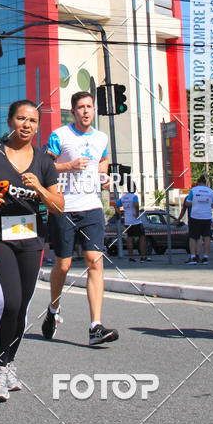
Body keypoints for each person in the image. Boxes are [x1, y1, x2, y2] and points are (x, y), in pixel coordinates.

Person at [0, 99, 63, 401]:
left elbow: (58, 207)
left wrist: (41, 189)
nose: (26, 125)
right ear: (10, 122)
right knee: (10, 302)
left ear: (38, 125)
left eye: (32, 120)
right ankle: (1, 370)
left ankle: (9, 364)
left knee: (23, 308)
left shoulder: (44, 163)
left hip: (31, 239)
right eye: (21, 119)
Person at [42, 90, 119, 347]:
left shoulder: (101, 137)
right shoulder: (60, 135)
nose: (86, 111)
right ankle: (53, 310)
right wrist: (68, 166)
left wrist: (104, 175)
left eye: (89, 107)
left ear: (93, 110)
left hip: (92, 208)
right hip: (64, 208)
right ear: (73, 111)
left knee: (94, 262)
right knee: (63, 266)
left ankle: (95, 326)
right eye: (80, 107)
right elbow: (43, 166)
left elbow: (103, 160)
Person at [177, 175, 213, 264]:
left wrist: (196, 202)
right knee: (206, 237)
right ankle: (205, 257)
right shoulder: (210, 191)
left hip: (195, 216)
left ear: (198, 182)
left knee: (193, 237)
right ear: (205, 183)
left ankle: (193, 257)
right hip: (207, 217)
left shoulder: (193, 190)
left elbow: (188, 203)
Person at [115, 181, 150, 262]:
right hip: (135, 221)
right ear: (134, 188)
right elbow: (136, 204)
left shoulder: (123, 197)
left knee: (129, 238)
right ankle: (143, 256)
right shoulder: (134, 197)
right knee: (142, 237)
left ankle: (131, 257)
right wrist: (137, 213)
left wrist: (119, 213)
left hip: (127, 221)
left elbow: (116, 205)